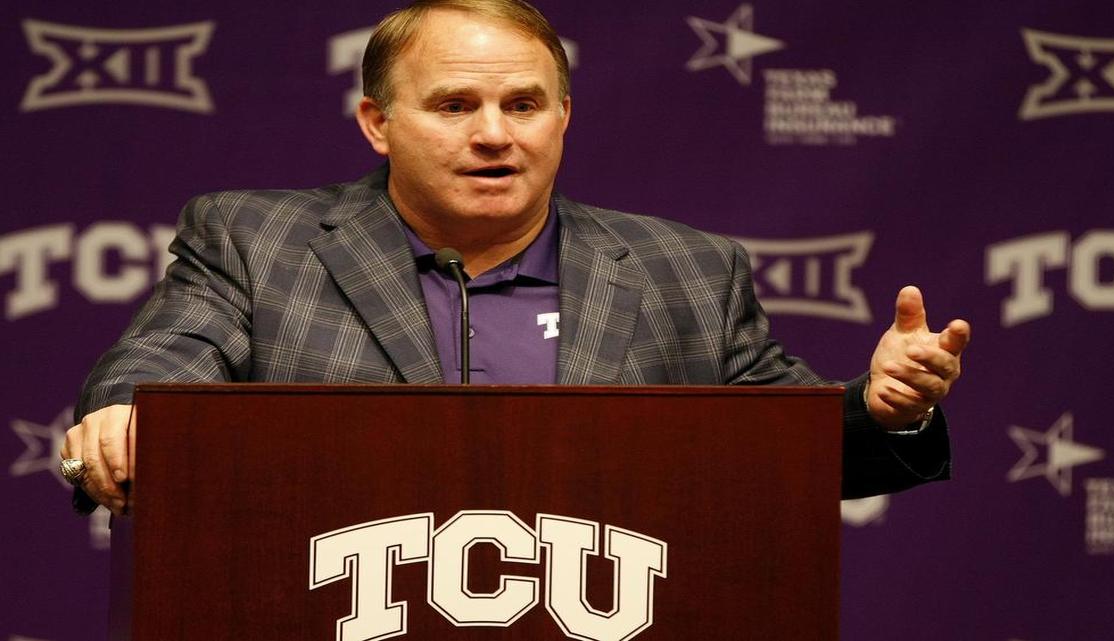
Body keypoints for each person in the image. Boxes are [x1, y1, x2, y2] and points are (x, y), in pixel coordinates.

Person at [61, 0, 970, 515]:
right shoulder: (260, 244)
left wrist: (881, 407)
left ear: (563, 117)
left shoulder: (688, 272)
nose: (495, 135)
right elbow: (155, 366)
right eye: (455, 105)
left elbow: (795, 450)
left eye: (524, 106)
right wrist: (121, 415)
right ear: (379, 123)